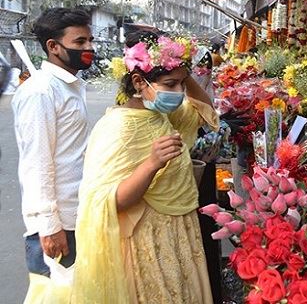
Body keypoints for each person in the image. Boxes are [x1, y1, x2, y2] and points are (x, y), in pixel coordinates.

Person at [71, 36, 217, 303]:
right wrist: (151, 165)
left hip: (180, 234)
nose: (179, 93)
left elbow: (204, 108)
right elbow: (108, 201)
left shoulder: (161, 114)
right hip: (147, 241)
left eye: (182, 85)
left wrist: (183, 70)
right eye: (170, 85)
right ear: (139, 82)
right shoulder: (117, 129)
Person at [11, 8, 94, 276]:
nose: (89, 48)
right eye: (80, 42)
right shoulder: (41, 91)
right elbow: (36, 163)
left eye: (89, 40)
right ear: (53, 46)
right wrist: (49, 225)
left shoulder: (70, 85)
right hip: (57, 225)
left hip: (77, 214)